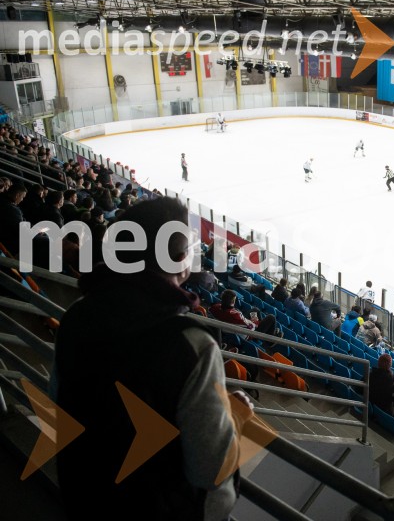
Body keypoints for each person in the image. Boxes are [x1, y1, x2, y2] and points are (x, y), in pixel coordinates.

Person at [50, 197, 255, 520]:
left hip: (84, 498)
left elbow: (62, 406)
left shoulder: (76, 316)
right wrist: (237, 414)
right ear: (177, 258)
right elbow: (210, 470)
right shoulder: (192, 344)